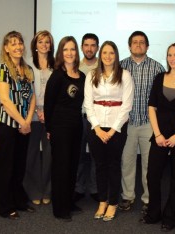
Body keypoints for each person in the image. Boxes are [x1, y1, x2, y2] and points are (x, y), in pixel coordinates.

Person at [139, 42, 175, 232]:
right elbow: (152, 107)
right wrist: (157, 134)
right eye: (169, 55)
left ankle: (171, 217)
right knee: (153, 174)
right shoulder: (159, 78)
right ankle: (154, 213)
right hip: (159, 134)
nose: (172, 58)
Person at [84, 41, 134, 221]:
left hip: (117, 127)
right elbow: (88, 104)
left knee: (113, 165)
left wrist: (112, 130)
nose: (107, 56)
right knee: (100, 166)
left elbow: (127, 106)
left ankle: (113, 203)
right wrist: (97, 128)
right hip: (95, 127)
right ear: (100, 54)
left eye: (111, 53)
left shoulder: (125, 75)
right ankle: (102, 201)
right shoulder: (91, 75)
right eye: (104, 52)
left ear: (116, 55)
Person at [119, 31, 165, 213]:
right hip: (127, 123)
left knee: (149, 164)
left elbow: (162, 97)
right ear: (129, 46)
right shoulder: (120, 66)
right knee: (127, 162)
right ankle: (128, 196)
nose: (138, 45)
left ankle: (148, 198)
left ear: (147, 46)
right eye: (135, 42)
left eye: (142, 42)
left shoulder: (157, 68)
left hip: (149, 124)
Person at [0, 31, 36, 220]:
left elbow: (33, 96)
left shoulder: (27, 69)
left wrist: (27, 121)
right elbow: (4, 99)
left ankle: (19, 200)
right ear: (6, 48)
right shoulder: (2, 68)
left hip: (24, 124)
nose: (18, 46)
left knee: (20, 166)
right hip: (8, 124)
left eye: (20, 43)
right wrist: (22, 121)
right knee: (7, 167)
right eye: (13, 44)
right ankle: (4, 206)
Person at [44, 36, 85, 222]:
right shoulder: (57, 75)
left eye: (73, 49)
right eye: (66, 49)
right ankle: (60, 209)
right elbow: (48, 104)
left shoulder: (82, 76)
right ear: (61, 53)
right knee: (61, 167)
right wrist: (49, 129)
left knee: (72, 165)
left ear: (77, 52)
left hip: (76, 127)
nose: (70, 53)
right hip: (60, 128)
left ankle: (68, 202)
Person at [23, 30, 55, 206]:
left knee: (50, 155)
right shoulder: (27, 65)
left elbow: (57, 93)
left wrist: (47, 114)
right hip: (31, 116)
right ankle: (34, 190)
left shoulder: (57, 65)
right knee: (32, 154)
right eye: (41, 42)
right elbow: (26, 93)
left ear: (51, 45)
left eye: (47, 42)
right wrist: (36, 112)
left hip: (51, 117)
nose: (44, 45)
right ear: (35, 45)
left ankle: (47, 190)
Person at [74, 33, 99, 202]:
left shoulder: (103, 66)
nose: (89, 48)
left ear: (97, 47)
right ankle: (78, 187)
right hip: (79, 117)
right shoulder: (75, 67)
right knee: (79, 154)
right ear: (82, 47)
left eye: (93, 45)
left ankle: (95, 188)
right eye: (86, 45)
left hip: (98, 119)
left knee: (97, 155)